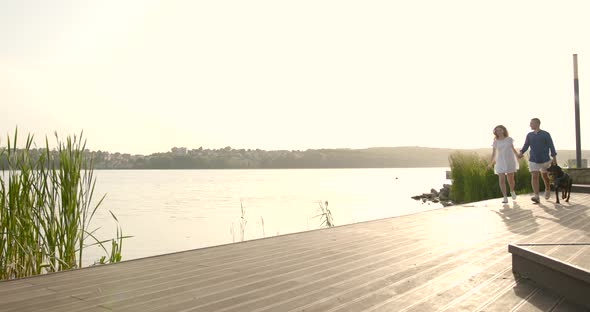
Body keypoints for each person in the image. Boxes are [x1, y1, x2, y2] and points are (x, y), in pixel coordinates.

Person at [517, 118, 557, 203]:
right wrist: (521, 153)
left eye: (531, 123)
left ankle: (548, 188)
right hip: (533, 160)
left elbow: (551, 146)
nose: (530, 125)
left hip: (545, 160)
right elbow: (526, 145)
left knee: (545, 177)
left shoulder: (546, 134)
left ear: (537, 124)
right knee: (534, 176)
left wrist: (554, 159)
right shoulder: (529, 135)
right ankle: (536, 196)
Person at [489, 125, 520, 203]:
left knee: (511, 180)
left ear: (503, 130)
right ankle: (505, 197)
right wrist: (490, 163)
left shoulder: (509, 139)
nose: (498, 132)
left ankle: (512, 191)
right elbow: (494, 153)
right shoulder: (495, 141)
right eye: (497, 131)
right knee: (501, 180)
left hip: (509, 160)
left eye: (500, 130)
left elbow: (513, 149)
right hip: (500, 161)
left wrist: (517, 155)